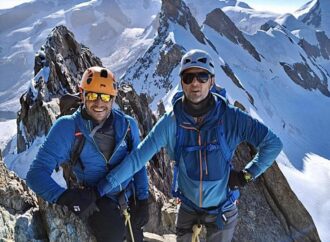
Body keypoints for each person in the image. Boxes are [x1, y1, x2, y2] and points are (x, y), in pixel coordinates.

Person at [95, 49, 283, 242]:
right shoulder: (171, 122)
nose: (195, 83)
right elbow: (137, 159)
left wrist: (246, 175)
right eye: (188, 77)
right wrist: (100, 189)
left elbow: (273, 144)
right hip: (188, 207)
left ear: (212, 81)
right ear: (182, 83)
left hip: (222, 209)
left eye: (202, 76)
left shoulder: (231, 117)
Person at [26, 66, 149, 242]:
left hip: (129, 200)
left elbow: (138, 163)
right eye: (92, 95)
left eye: (105, 96)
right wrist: (67, 197)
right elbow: (35, 174)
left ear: (113, 99)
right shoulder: (67, 128)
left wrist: (143, 200)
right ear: (82, 94)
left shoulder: (128, 126)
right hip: (95, 201)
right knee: (112, 234)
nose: (99, 103)